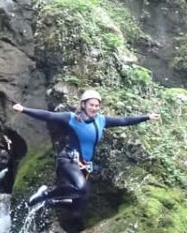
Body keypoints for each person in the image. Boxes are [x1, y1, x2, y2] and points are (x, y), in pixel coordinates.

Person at [13, 89, 160, 215]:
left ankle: (49, 203)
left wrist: (146, 117)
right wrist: (24, 109)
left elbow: (124, 120)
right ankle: (44, 195)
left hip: (84, 165)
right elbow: (48, 115)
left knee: (78, 205)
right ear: (83, 105)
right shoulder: (72, 118)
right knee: (81, 187)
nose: (94, 108)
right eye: (91, 105)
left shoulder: (101, 120)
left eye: (97, 105)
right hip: (68, 160)